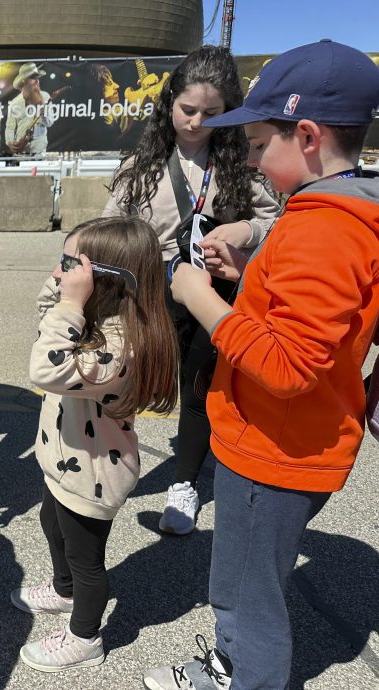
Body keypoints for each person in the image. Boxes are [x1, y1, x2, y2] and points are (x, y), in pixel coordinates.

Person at [143, 40, 379, 690]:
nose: (246, 159)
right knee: (239, 583)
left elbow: (285, 364)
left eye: (254, 145)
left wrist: (197, 296)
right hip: (283, 440)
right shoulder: (338, 211)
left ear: (305, 135)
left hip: (274, 450)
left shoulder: (325, 228)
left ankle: (246, 676)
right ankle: (231, 662)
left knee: (249, 601)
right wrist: (251, 275)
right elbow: (309, 320)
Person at [104, 45, 280, 535]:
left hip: (214, 291)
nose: (197, 121)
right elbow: (111, 226)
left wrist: (245, 232)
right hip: (150, 289)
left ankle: (184, 483)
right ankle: (112, 461)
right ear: (169, 104)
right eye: (187, 109)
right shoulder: (142, 162)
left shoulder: (242, 163)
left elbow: (270, 217)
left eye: (211, 112)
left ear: (229, 112)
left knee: (200, 387)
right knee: (131, 380)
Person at [15, 216, 178, 673]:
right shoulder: (94, 317)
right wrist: (64, 289)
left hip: (93, 473)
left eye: (73, 265)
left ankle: (85, 636)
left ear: (104, 280)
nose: (63, 274)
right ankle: (63, 589)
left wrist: (70, 302)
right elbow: (45, 315)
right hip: (64, 458)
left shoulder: (120, 345)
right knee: (53, 524)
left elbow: (45, 370)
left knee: (87, 560)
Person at [5, 63, 56, 157]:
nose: (37, 81)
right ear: (24, 81)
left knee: (38, 171)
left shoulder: (45, 97)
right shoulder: (15, 103)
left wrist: (43, 112)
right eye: (33, 78)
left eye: (38, 78)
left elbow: (49, 123)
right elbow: (10, 128)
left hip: (39, 147)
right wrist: (10, 142)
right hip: (21, 149)